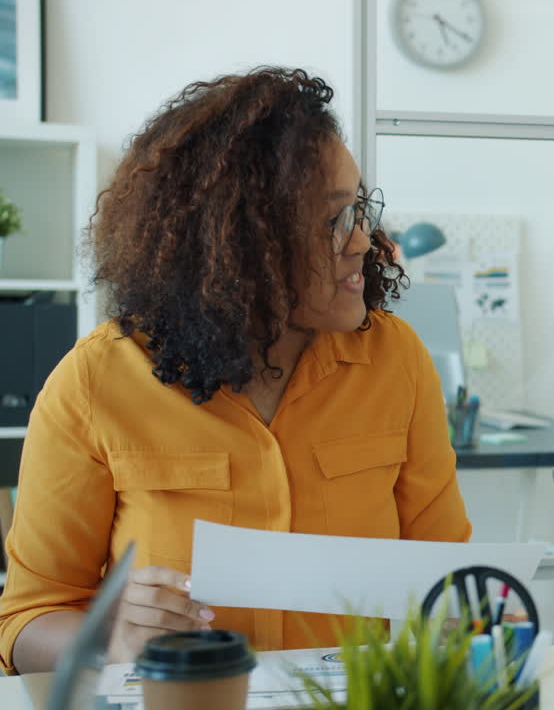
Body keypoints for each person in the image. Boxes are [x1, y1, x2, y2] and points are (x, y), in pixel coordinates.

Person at [0, 67, 471, 674]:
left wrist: (469, 613)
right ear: (241, 243)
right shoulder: (94, 383)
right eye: (333, 222)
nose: (363, 241)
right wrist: (108, 640)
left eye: (360, 209)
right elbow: (25, 620)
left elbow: (449, 576)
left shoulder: (395, 359)